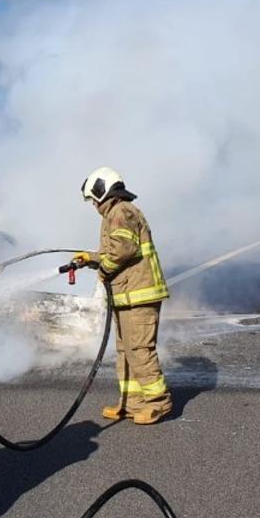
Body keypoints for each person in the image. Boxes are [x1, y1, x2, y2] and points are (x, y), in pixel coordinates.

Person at [73, 166, 173, 425]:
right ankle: (133, 402)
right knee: (125, 351)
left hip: (140, 295)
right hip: (127, 296)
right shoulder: (115, 214)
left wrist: (104, 269)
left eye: (93, 200)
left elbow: (123, 250)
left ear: (102, 192)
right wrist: (90, 259)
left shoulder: (121, 212)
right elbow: (114, 252)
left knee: (140, 349)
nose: (94, 205)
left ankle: (159, 403)